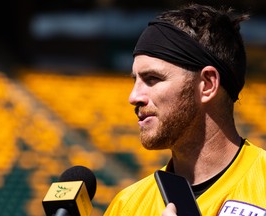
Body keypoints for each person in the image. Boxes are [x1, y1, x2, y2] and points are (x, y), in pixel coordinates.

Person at [104, 3, 266, 216]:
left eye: (152, 79)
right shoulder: (127, 206)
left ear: (207, 84)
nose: (133, 97)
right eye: (135, 80)